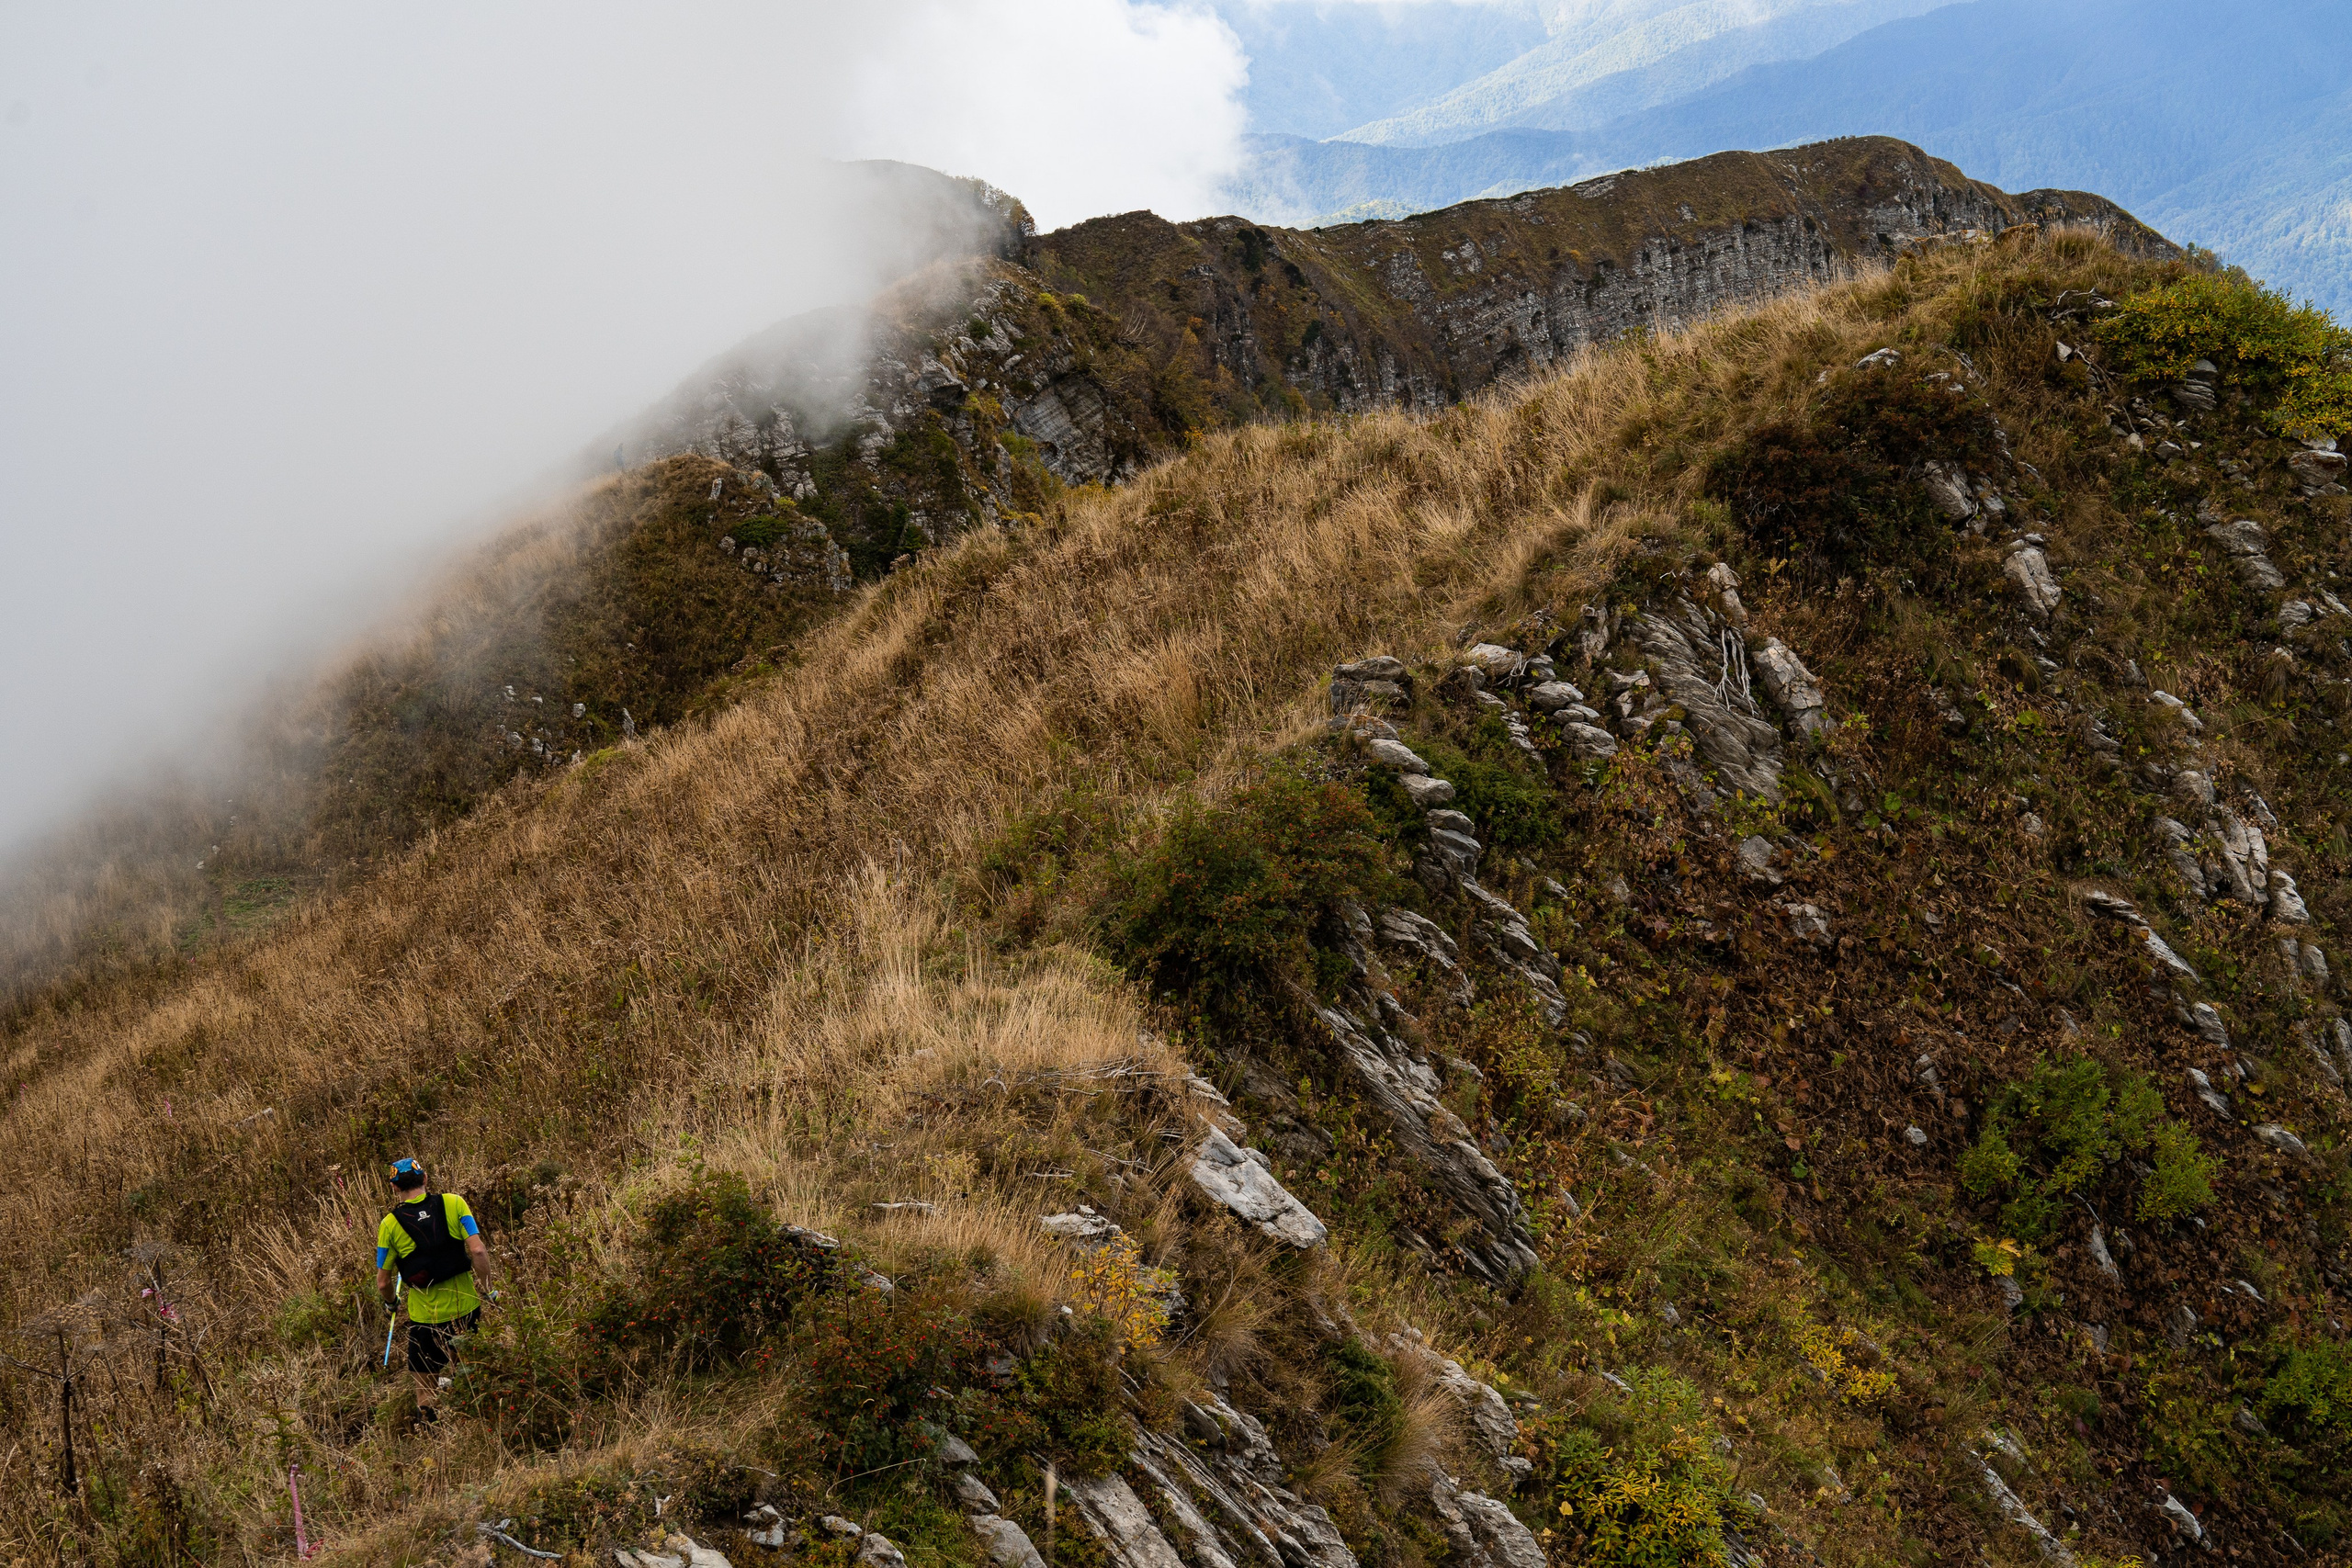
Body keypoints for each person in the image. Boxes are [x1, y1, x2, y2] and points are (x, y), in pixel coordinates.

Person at [374, 1157, 494, 1427]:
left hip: (426, 1320)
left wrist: (391, 1303)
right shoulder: (454, 1203)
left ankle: (431, 1433)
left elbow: (383, 1283)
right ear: (425, 1178)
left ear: (394, 1187)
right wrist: (488, 1290)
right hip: (466, 1308)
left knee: (425, 1390)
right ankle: (476, 1425)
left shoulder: (389, 1225)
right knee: (470, 1374)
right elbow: (478, 1250)